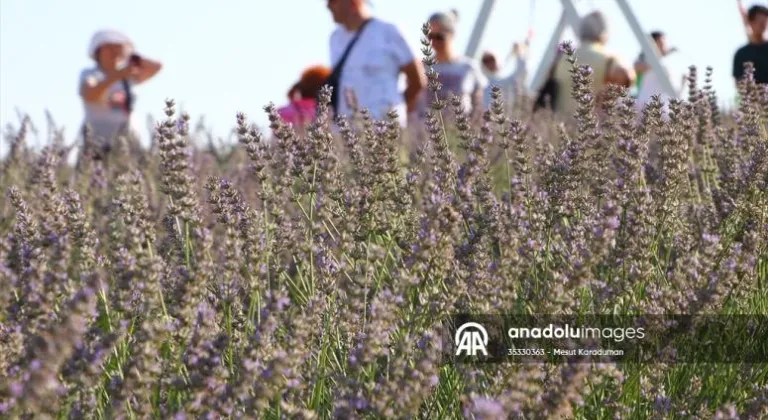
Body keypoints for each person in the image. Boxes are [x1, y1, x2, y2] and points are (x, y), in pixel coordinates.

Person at [326, 0, 425, 126]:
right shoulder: (335, 38)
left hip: (386, 129)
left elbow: (417, 79)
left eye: (332, 1)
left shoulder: (388, 31)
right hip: (348, 133)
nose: (328, 6)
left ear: (354, 3)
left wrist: (395, 107)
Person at [78, 29, 162, 160]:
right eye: (109, 48)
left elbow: (156, 66)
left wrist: (134, 58)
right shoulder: (91, 74)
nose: (114, 52)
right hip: (98, 143)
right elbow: (89, 94)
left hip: (129, 142)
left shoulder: (128, 76)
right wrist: (117, 75)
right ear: (98, 51)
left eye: (118, 48)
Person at [551, 11, 635, 116]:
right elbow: (626, 75)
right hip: (589, 124)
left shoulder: (562, 57)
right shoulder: (607, 56)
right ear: (603, 33)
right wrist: (605, 100)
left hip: (559, 122)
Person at [419, 10, 488, 116]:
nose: (434, 42)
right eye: (430, 37)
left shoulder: (468, 67)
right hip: (428, 127)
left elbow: (478, 105)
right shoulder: (422, 68)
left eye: (439, 37)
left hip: (461, 128)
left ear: (451, 34)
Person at [480, 32, 531, 110]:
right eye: (486, 61)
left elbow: (522, 72)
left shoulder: (504, 81)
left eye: (491, 60)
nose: (490, 63)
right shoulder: (480, 82)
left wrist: (519, 53)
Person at [733, 4, 768, 85]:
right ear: (750, 22)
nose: (763, 26)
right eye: (760, 22)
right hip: (750, 95)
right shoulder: (741, 54)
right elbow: (738, 83)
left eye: (765, 22)